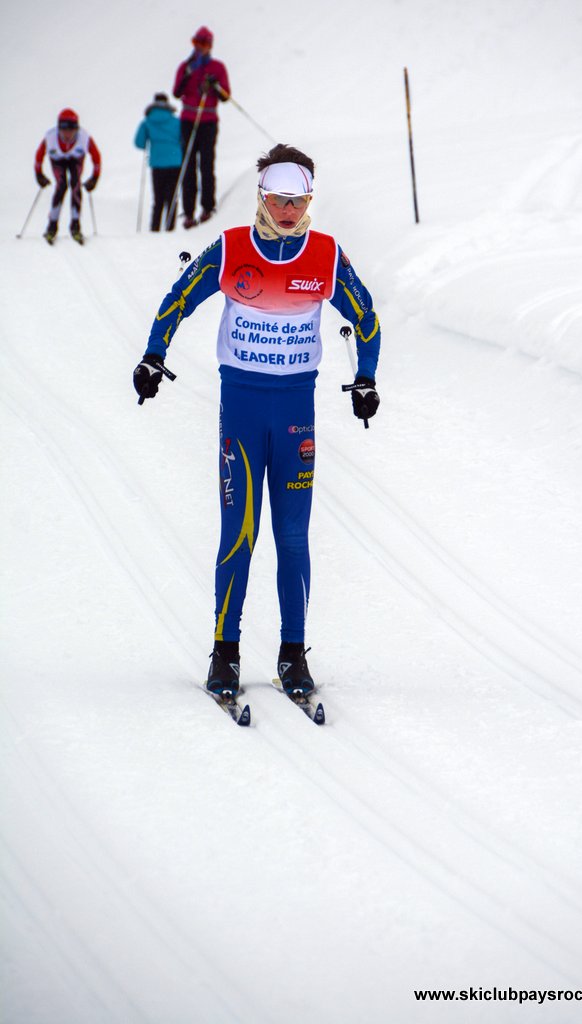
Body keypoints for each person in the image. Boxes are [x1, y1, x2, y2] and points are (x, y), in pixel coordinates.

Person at [133, 143, 381, 698]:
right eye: (278, 198)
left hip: (296, 413)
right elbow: (178, 300)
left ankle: (293, 655)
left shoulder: (325, 255)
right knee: (238, 534)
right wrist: (154, 355)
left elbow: (365, 315)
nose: (288, 209)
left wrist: (366, 376)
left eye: (298, 199)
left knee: (292, 536)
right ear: (262, 196)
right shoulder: (231, 249)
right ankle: (226, 654)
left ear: (309, 198)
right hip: (242, 411)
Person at [172, 25, 230, 229]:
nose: (200, 48)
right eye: (197, 43)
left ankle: (207, 208)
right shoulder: (185, 66)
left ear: (210, 46)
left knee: (206, 164)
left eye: (204, 44)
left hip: (208, 123)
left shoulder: (218, 68)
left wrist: (215, 86)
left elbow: (226, 97)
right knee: (188, 165)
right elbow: (176, 92)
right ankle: (188, 213)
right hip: (188, 120)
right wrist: (188, 73)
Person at [34, 108, 101, 244]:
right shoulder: (50, 137)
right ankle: (52, 226)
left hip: (76, 159)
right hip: (57, 160)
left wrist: (94, 178)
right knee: (61, 186)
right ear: (58, 128)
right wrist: (39, 175)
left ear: (77, 129)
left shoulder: (84, 137)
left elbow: (96, 157)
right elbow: (39, 157)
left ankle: (75, 226)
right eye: (64, 129)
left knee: (75, 184)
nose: (68, 133)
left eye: (72, 129)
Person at [134, 92, 183, 231]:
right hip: (175, 162)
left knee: (158, 199)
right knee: (172, 197)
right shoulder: (176, 121)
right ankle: (170, 228)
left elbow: (139, 143)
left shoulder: (147, 122)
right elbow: (183, 139)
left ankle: (155, 228)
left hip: (157, 163)